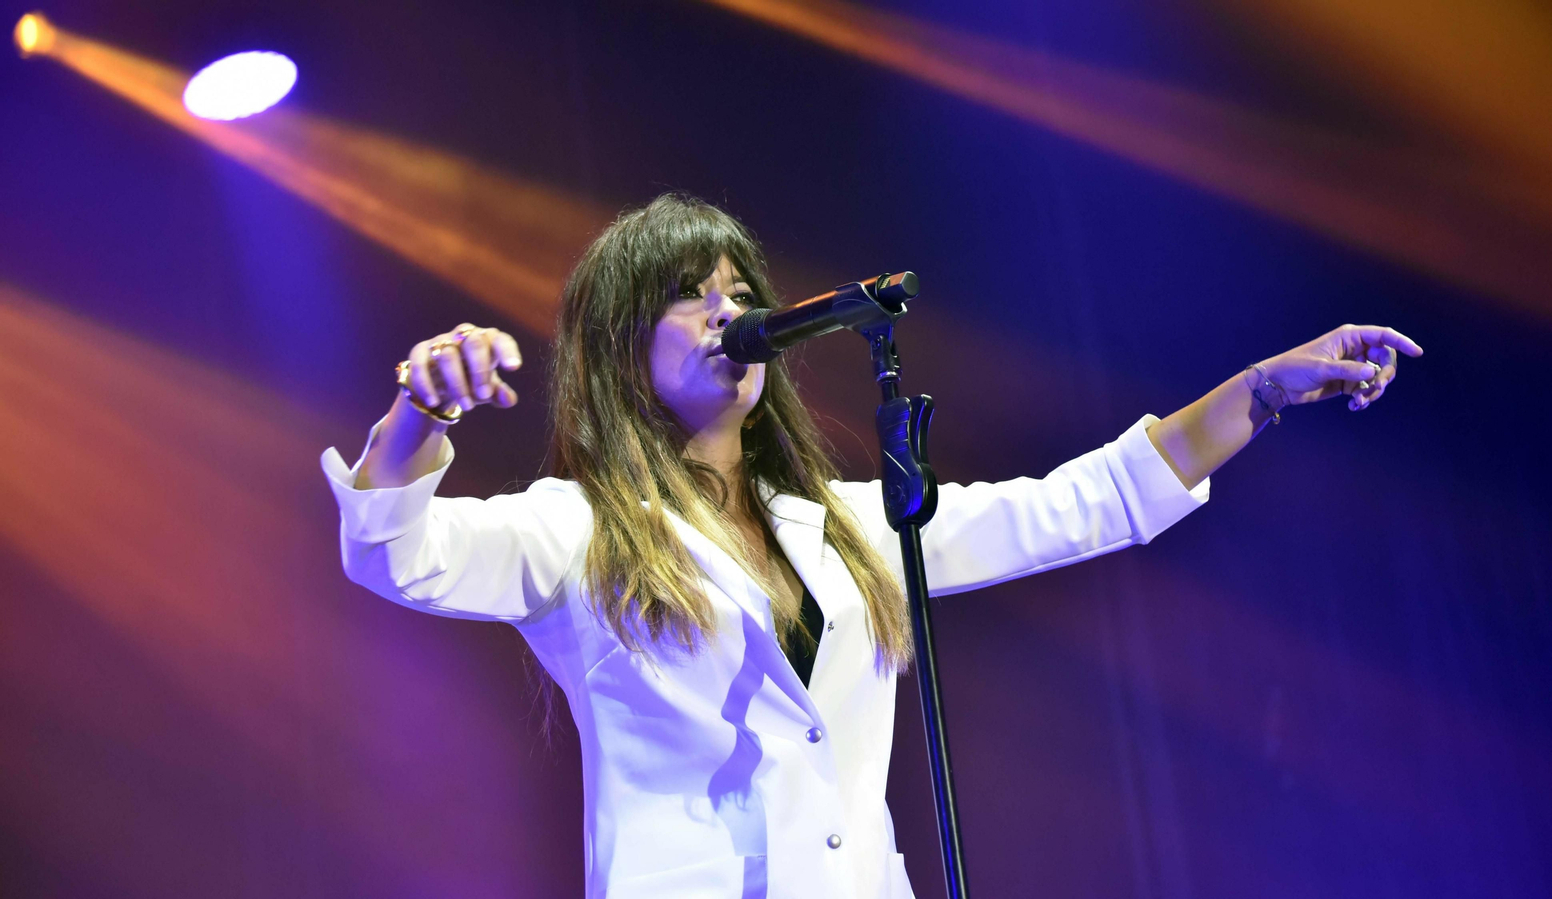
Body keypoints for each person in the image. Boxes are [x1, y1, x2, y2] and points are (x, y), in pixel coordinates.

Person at [321, 192, 1422, 899]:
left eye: (739, 293)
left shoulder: (846, 524)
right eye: (688, 299)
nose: (727, 315)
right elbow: (395, 552)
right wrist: (423, 412)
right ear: (618, 344)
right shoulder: (580, 529)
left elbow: (1075, 504)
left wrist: (1260, 391)